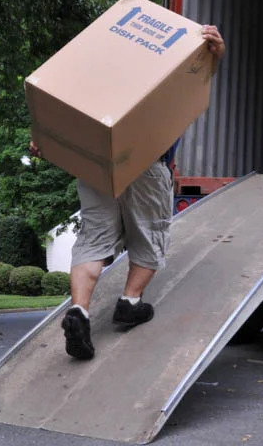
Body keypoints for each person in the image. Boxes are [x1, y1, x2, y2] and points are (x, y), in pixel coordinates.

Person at [29, 25, 225, 360]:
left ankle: (79, 311)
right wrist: (215, 52)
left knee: (93, 239)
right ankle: (130, 302)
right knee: (149, 235)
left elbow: (58, 116)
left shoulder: (91, 78)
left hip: (94, 160)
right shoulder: (158, 79)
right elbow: (195, 78)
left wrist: (48, 142)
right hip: (147, 161)